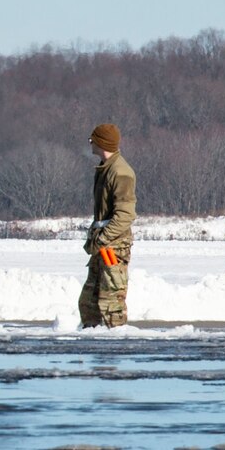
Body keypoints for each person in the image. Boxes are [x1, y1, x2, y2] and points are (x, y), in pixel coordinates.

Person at [78, 122, 136, 328]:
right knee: (89, 303)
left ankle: (116, 345)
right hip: (102, 245)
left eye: (93, 139)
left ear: (101, 143)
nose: (90, 143)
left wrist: (103, 238)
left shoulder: (121, 173)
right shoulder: (105, 169)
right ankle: (91, 340)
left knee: (111, 303)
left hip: (113, 246)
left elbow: (125, 215)